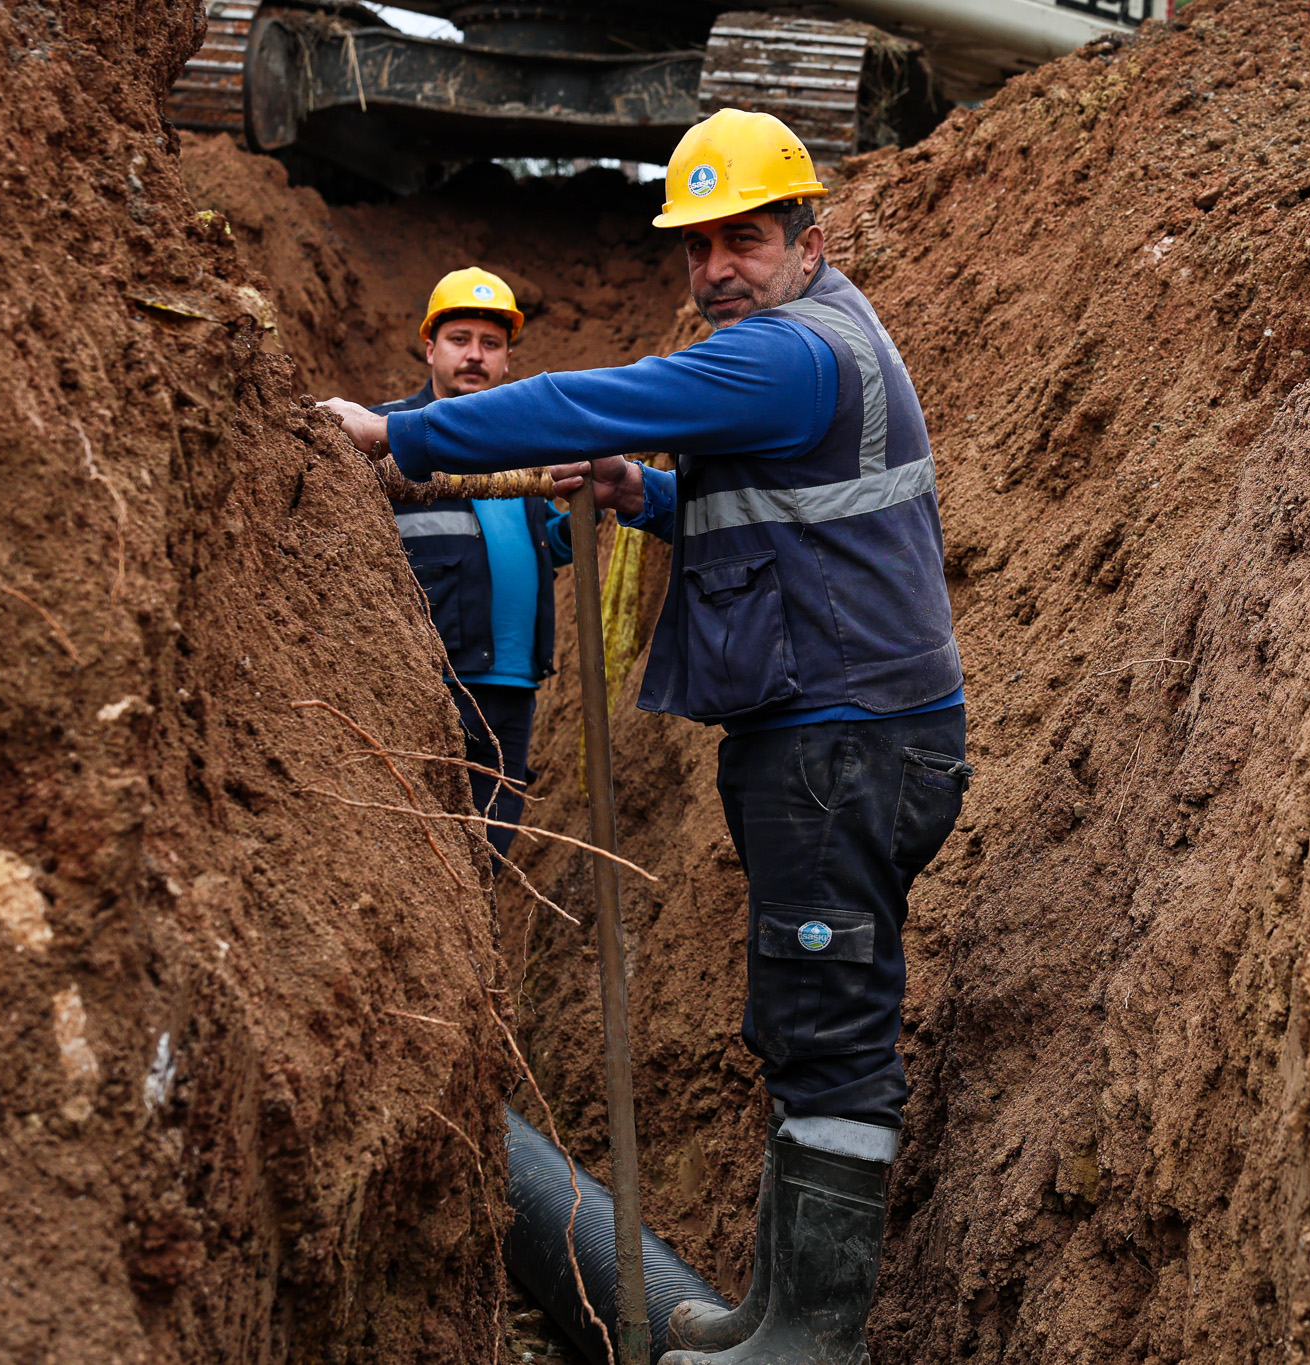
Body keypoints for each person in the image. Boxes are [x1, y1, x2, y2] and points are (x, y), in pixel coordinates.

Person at [322, 110, 970, 1365]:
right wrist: (649, 492)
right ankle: (772, 1318)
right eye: (697, 245)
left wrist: (393, 432)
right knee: (800, 1013)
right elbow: (784, 506)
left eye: (743, 238)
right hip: (833, 733)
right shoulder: (819, 341)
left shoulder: (783, 355)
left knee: (829, 1021)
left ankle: (810, 1340)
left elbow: (585, 401)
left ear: (805, 239)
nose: (717, 267)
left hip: (844, 742)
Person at [370, 267, 570, 861]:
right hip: (428, 686)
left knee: (492, 852)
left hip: (512, 687)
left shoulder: (529, 445)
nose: (475, 356)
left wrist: (584, 523)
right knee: (423, 854)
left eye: (491, 344)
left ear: (508, 359)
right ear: (429, 347)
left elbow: (534, 546)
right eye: (460, 340)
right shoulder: (382, 437)